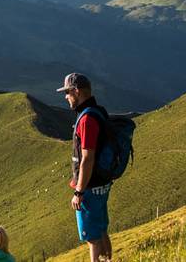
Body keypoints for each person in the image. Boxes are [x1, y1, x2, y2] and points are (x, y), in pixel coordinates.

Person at [58, 72, 113, 262]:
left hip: (90, 185)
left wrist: (79, 191)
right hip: (102, 182)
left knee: (92, 237)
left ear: (77, 91)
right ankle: (108, 260)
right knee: (100, 229)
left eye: (67, 92)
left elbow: (87, 158)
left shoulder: (87, 120)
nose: (66, 97)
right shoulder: (98, 111)